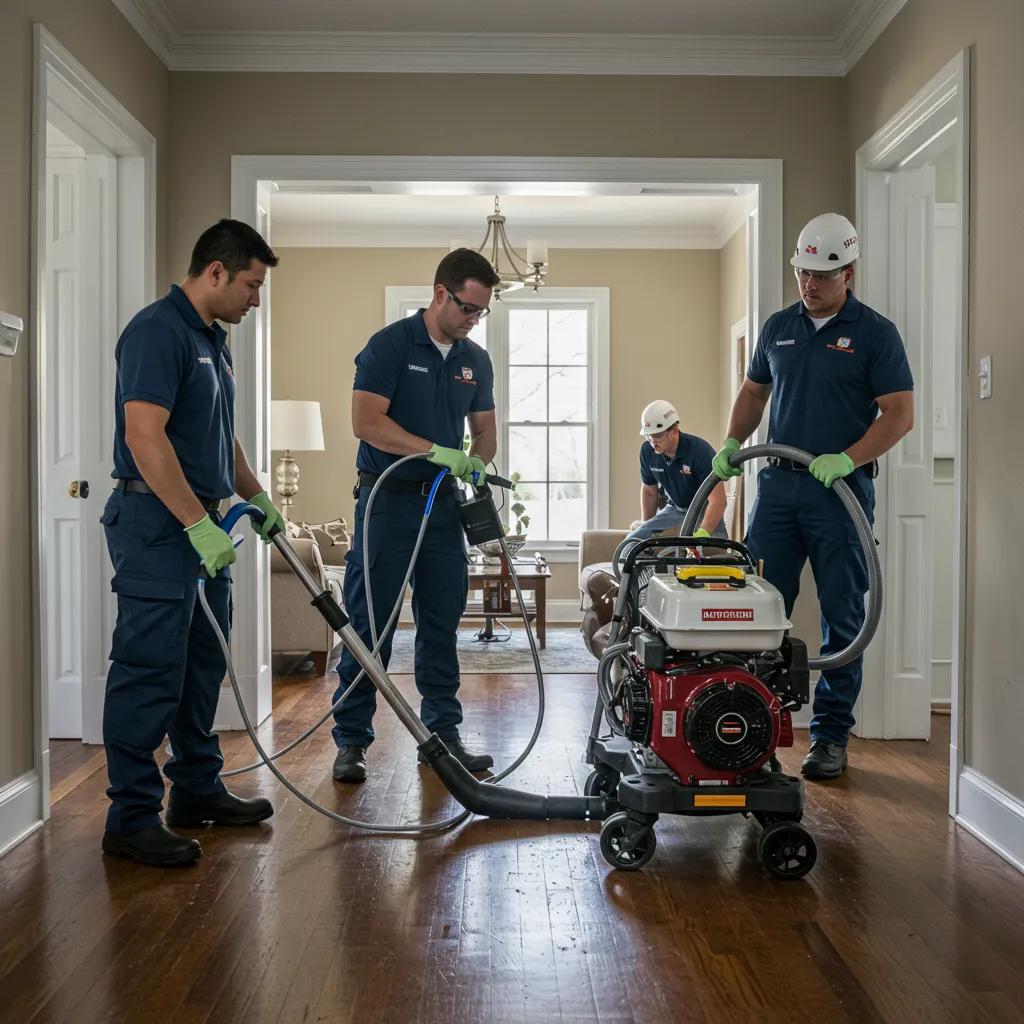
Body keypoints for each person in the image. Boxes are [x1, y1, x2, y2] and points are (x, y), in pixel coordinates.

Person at [100, 219, 287, 867]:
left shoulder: (213, 339)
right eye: (251, 285)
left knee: (202, 665)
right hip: (156, 525)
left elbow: (220, 434)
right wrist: (195, 523)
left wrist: (256, 495)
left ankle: (197, 792)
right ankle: (129, 818)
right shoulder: (156, 332)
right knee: (149, 668)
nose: (255, 299)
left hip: (200, 522)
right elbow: (144, 436)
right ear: (216, 272)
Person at [712, 212, 914, 780]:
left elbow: (900, 414)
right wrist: (732, 440)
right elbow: (754, 392)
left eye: (822, 276)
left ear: (848, 272)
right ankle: (753, 729)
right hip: (776, 490)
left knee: (842, 616)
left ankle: (829, 737)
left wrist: (849, 458)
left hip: (839, 493)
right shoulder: (779, 326)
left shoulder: (875, 333)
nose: (809, 285)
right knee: (755, 611)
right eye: (803, 273)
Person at [331, 249, 500, 783]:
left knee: (440, 623)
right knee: (370, 625)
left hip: (441, 507)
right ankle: (351, 741)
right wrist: (434, 451)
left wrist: (476, 461)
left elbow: (486, 432)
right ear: (440, 293)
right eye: (469, 308)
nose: (474, 319)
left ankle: (441, 739)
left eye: (481, 312)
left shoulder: (475, 359)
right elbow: (366, 422)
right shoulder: (389, 346)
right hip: (387, 501)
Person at [627, 399, 728, 542]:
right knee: (632, 542)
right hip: (674, 509)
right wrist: (646, 526)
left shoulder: (700, 451)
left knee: (713, 550)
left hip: (703, 511)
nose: (653, 442)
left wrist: (703, 534)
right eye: (648, 436)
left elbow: (718, 501)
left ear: (674, 430)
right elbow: (650, 492)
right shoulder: (647, 451)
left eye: (657, 436)